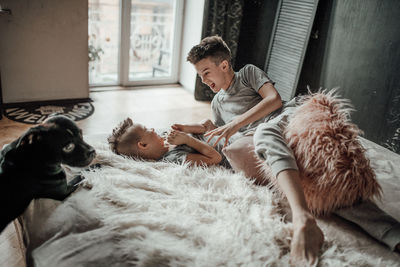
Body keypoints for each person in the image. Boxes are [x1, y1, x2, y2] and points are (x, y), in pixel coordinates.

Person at [184, 35, 400, 265]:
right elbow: (219, 131)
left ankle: (301, 216)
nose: (203, 80)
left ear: (224, 65)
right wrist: (192, 130)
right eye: (199, 75)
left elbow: (274, 100)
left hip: (285, 119)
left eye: (206, 72)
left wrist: (236, 124)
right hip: (264, 142)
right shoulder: (217, 102)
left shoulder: (247, 73)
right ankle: (393, 235)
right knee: (318, 181)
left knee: (264, 133)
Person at [107, 117, 229, 167]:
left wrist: (186, 128)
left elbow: (204, 127)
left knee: (206, 122)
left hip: (221, 133)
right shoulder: (173, 158)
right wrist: (188, 139)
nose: (153, 129)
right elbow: (216, 158)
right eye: (147, 129)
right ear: (143, 145)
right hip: (231, 148)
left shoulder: (165, 138)